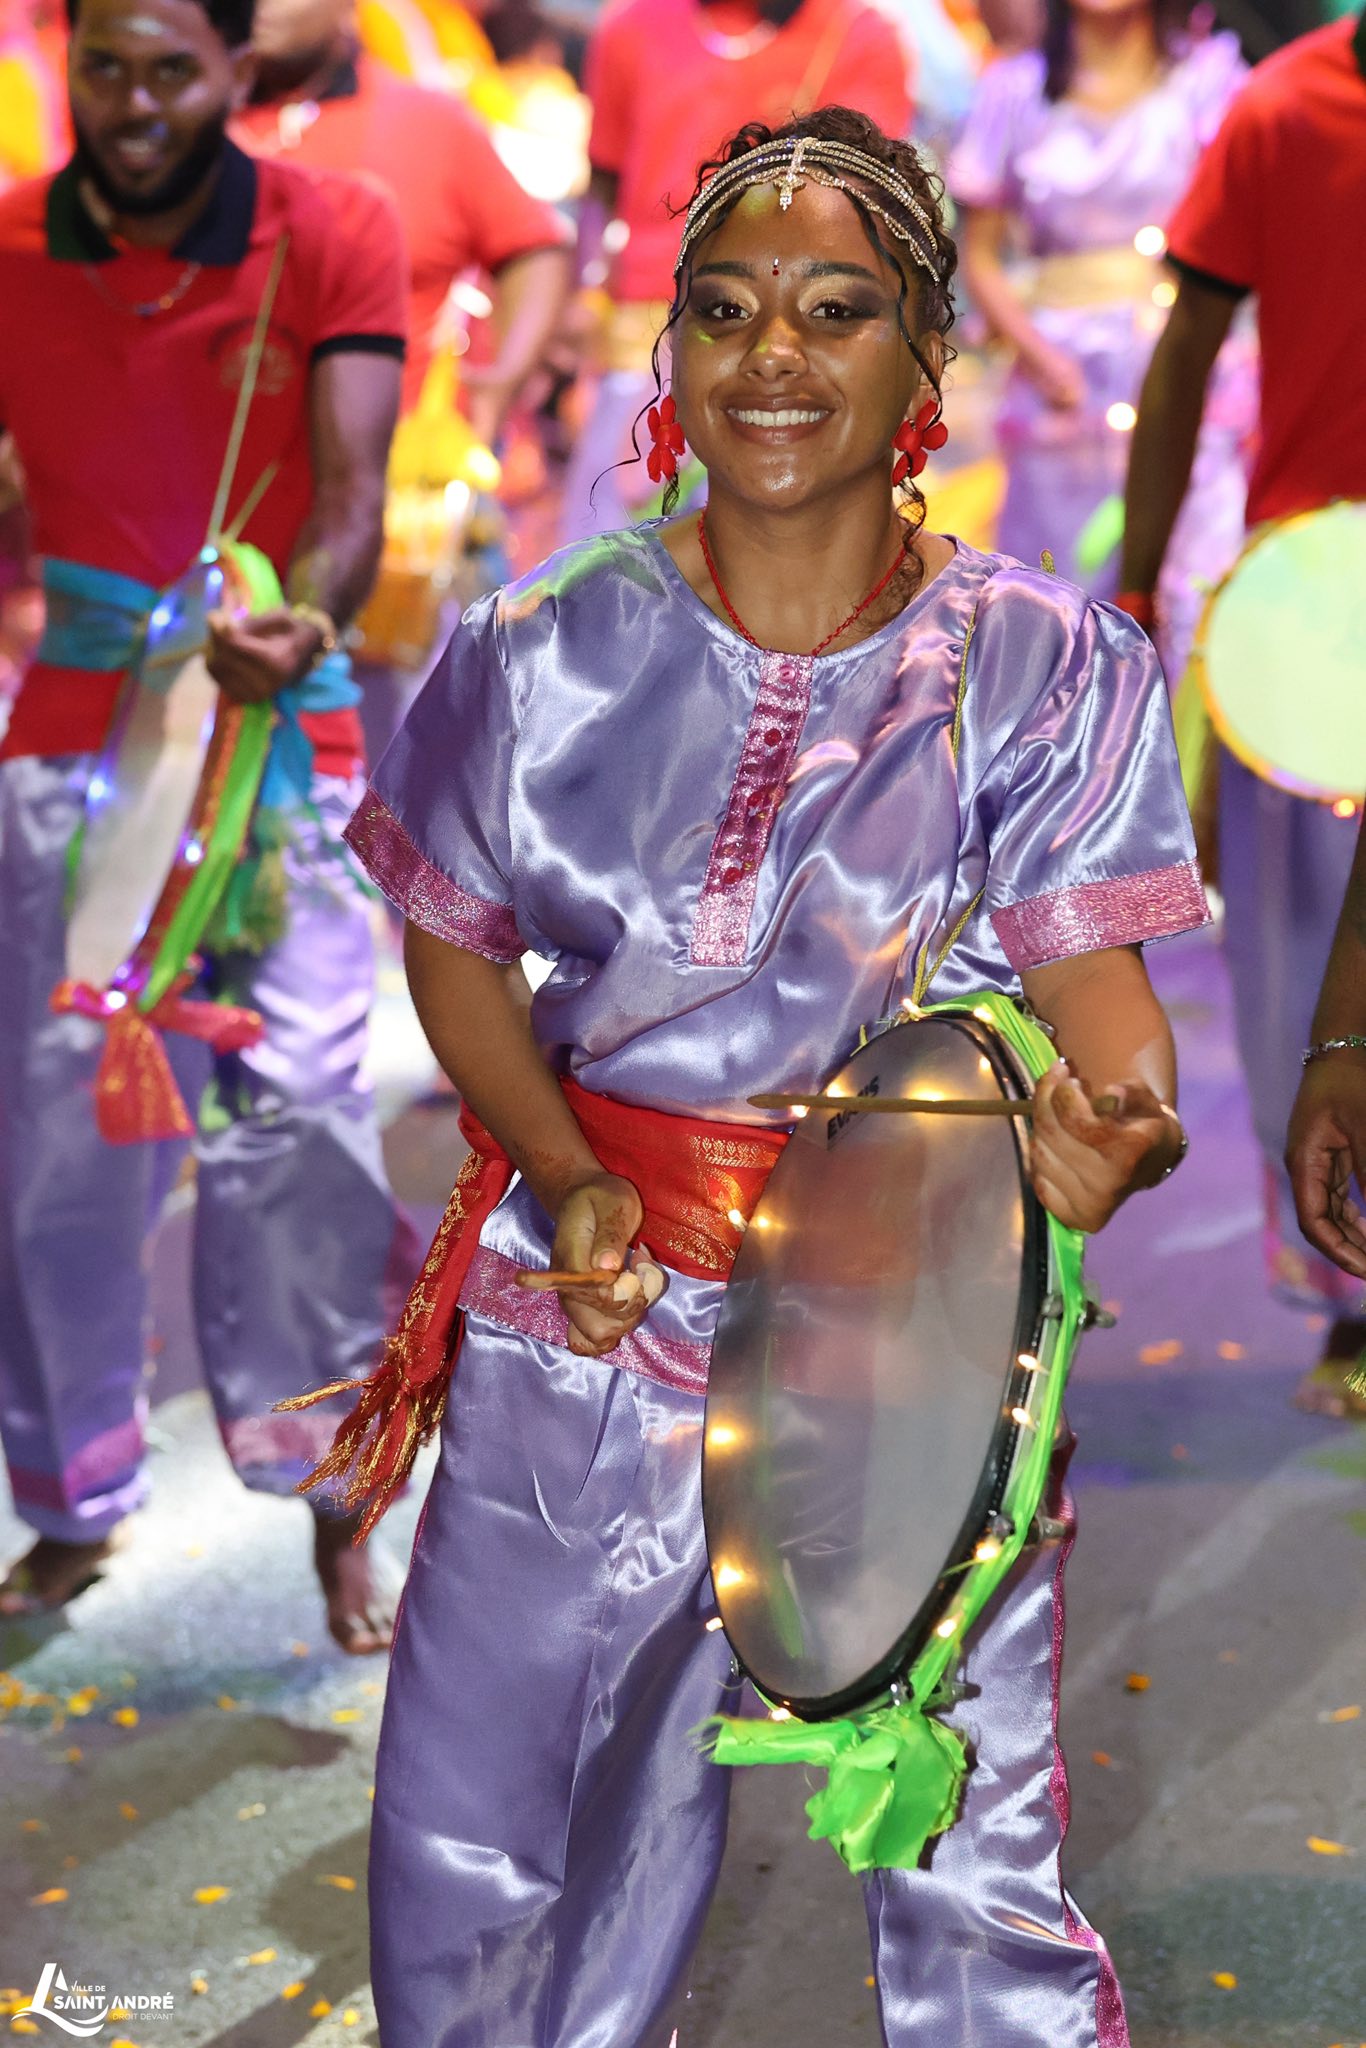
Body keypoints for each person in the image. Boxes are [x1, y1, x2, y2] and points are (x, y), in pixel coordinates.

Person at [325, 104, 1206, 2044]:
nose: (772, 356)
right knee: (503, 1848)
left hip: (918, 1336)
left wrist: (1114, 1126)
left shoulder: (1041, 664)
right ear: (669, 348)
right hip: (591, 1307)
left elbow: (1097, 990)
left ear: (923, 350)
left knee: (969, 1860)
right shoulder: (536, 647)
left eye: (833, 308)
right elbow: (456, 942)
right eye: (723, 310)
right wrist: (563, 1169)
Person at [0, 0, 411, 1649]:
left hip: (279, 748)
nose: (135, 102)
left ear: (239, 70)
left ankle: (331, 1495)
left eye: (173, 68)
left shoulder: (336, 228)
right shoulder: (10, 243)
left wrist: (308, 620)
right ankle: (71, 1488)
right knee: (59, 1147)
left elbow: (354, 490)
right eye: (104, 65)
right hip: (76, 753)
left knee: (300, 1130)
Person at [1120, 7, 1366, 1411]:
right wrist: (1138, 579)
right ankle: (1348, 1290)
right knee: (1300, 971)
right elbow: (1185, 346)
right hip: (1303, 610)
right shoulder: (1279, 108)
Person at [948, 0, 1251, 675]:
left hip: (1188, 369)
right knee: (1060, 612)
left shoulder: (1208, 80)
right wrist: (1038, 355)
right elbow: (980, 255)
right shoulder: (1015, 88)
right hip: (1061, 387)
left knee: (1197, 598)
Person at [560, 0, 915, 540]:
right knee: (610, 561)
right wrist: (587, 298)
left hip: (788, 345)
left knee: (769, 557)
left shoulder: (858, 37)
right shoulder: (632, 26)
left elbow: (866, 211)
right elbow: (602, 185)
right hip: (639, 342)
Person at [235, 0, 572, 449]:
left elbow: (532, 247)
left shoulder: (430, 122)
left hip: (394, 461)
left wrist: (503, 378)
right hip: (204, 452)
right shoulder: (184, 119)